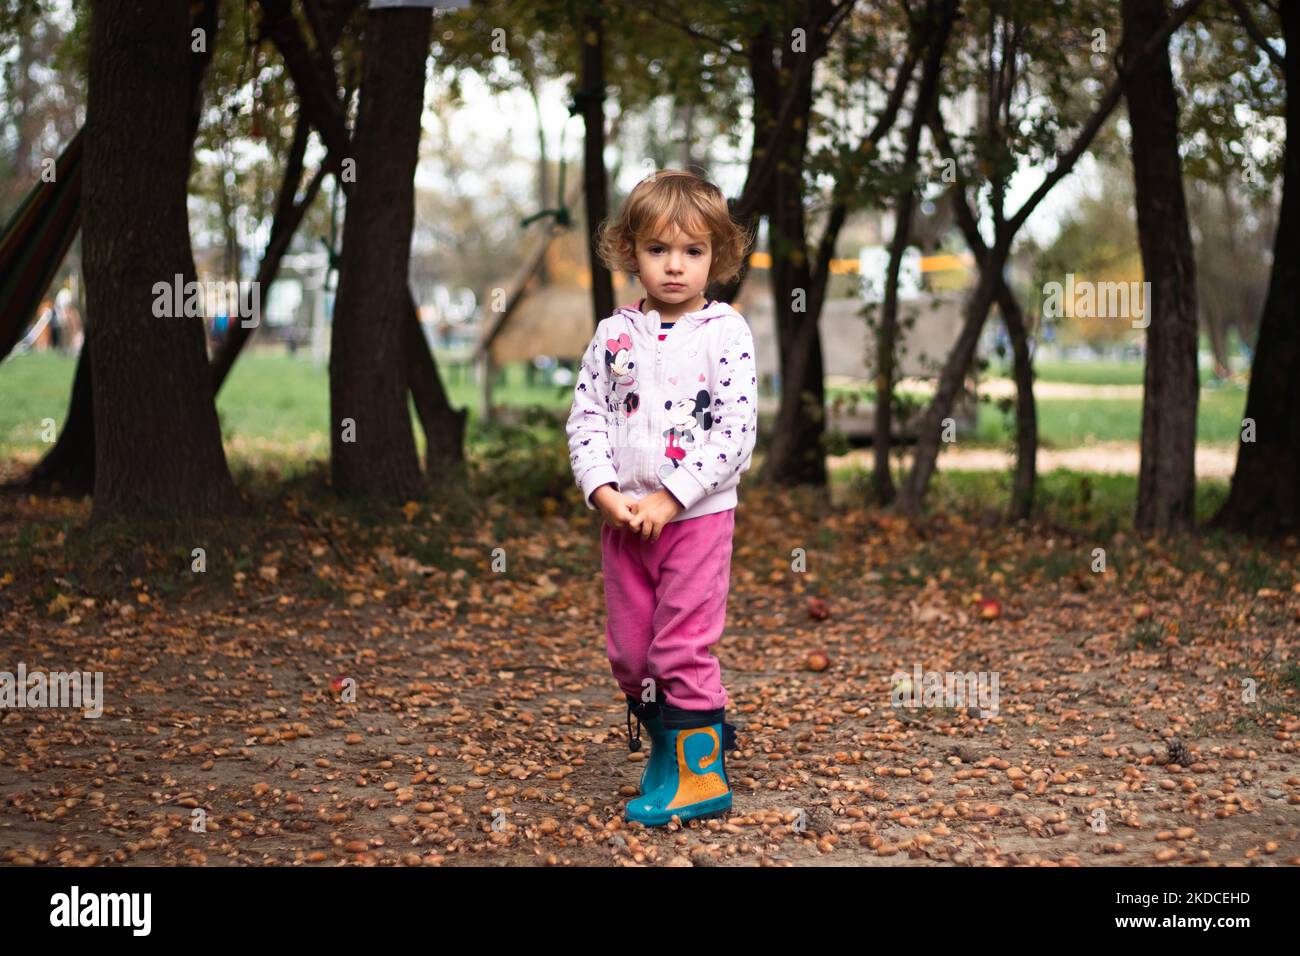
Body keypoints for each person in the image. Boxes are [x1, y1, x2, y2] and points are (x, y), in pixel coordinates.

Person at [566, 169, 757, 827]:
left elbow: (735, 431)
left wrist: (672, 498)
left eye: (693, 251)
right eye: (658, 250)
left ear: (719, 256)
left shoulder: (723, 333)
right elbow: (587, 415)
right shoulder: (613, 335)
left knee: (680, 649)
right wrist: (601, 488)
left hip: (695, 521)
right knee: (630, 654)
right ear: (630, 252)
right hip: (625, 522)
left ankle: (701, 775)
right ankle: (672, 749)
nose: (675, 266)